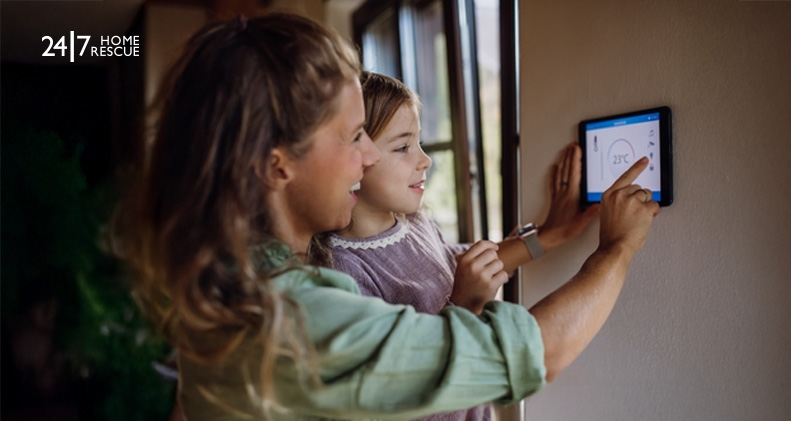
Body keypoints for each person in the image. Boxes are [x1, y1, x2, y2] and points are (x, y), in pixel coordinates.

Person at [112, 11, 659, 421]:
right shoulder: (298, 319)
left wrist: (551, 233)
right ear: (277, 165)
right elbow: (530, 355)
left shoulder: (233, 278)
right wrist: (617, 249)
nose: (370, 156)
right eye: (354, 137)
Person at [319, 72, 597, 421]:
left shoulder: (414, 224)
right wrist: (465, 304)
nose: (425, 159)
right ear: (357, 158)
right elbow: (408, 397)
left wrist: (551, 236)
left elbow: (466, 263)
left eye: (418, 142)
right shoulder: (343, 269)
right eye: (403, 146)